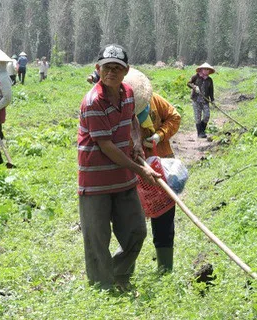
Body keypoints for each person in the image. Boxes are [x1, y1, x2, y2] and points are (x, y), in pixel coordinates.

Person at [78, 44, 160, 291]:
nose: (111, 72)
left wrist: (136, 142)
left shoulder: (127, 92)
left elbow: (132, 119)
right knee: (97, 240)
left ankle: (118, 273)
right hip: (96, 182)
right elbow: (106, 146)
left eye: (117, 68)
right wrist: (141, 170)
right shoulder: (93, 102)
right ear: (97, 69)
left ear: (126, 71)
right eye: (106, 68)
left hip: (123, 178)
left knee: (136, 231)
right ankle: (102, 288)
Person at [123, 68, 181, 274]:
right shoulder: (118, 111)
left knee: (164, 217)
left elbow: (174, 117)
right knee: (130, 223)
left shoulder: (156, 101)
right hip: (133, 172)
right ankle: (126, 269)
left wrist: (159, 136)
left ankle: (165, 269)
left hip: (160, 170)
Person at [187, 62, 215, 138]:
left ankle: (202, 129)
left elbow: (211, 90)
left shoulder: (209, 80)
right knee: (198, 117)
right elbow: (188, 83)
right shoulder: (196, 77)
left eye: (208, 70)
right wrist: (194, 87)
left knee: (207, 116)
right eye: (205, 69)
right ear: (201, 70)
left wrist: (212, 100)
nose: (206, 71)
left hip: (205, 101)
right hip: (196, 100)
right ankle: (200, 133)